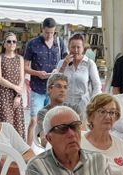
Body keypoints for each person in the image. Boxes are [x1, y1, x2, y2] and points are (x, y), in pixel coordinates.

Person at [24, 18, 67, 146]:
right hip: (37, 88)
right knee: (34, 120)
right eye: (47, 32)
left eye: (52, 33)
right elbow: (25, 67)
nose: (49, 35)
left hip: (54, 90)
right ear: (42, 29)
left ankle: (50, 148)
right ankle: (28, 149)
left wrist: (58, 70)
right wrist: (37, 73)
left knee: (52, 121)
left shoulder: (59, 43)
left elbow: (66, 63)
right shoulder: (32, 43)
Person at [81, 94, 123, 175]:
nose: (108, 116)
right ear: (90, 116)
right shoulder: (78, 143)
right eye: (102, 112)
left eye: (112, 112)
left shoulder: (121, 145)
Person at [54, 33, 100, 118]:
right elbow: (55, 82)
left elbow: (97, 85)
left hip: (83, 105)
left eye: (78, 47)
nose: (75, 50)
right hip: (65, 104)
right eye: (73, 47)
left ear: (83, 48)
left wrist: (93, 103)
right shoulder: (62, 62)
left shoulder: (89, 63)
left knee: (80, 126)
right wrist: (64, 65)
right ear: (68, 47)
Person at [0, 32, 26, 139]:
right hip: (2, 95)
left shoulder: (20, 58)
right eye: (9, 41)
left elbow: (21, 78)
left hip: (16, 96)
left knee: (17, 125)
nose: (12, 43)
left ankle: (17, 148)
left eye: (14, 41)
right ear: (4, 44)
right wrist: (14, 87)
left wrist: (18, 96)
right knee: (5, 122)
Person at [35, 73, 78, 147]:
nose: (62, 90)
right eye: (58, 86)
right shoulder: (43, 113)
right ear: (49, 89)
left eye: (65, 87)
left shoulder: (75, 109)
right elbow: (44, 140)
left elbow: (82, 135)